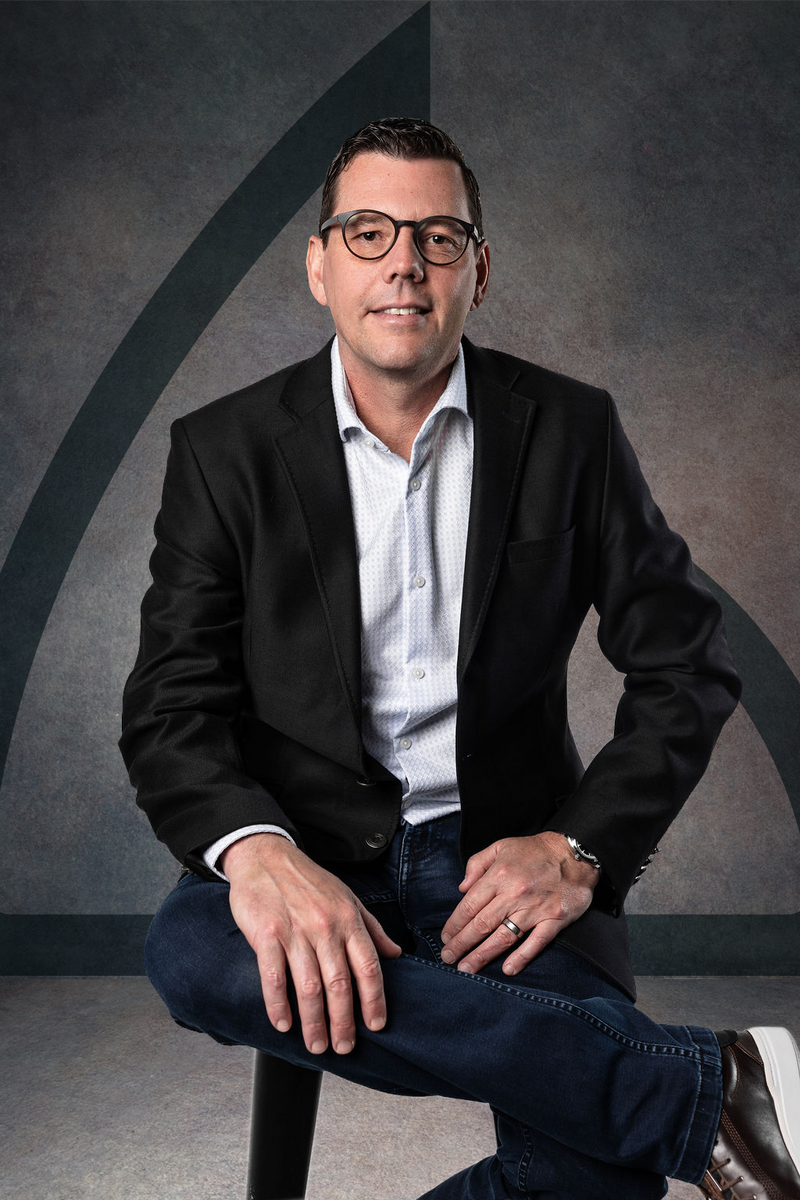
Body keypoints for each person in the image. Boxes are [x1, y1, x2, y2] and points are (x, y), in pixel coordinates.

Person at [120, 118, 800, 1200]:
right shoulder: (222, 449)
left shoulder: (570, 430)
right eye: (369, 231)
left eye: (438, 237)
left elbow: (688, 665)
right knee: (193, 951)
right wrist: (259, 856)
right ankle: (702, 1088)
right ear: (319, 265)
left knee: (588, 1184)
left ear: (477, 271)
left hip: (505, 859)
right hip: (313, 851)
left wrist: (577, 846)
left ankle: (661, 1094)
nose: (404, 262)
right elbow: (170, 706)